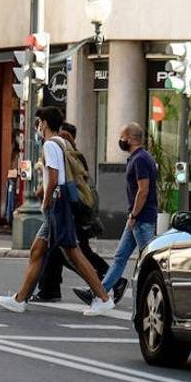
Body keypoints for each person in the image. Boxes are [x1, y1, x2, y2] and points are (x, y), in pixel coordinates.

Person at [0, 107, 114, 316]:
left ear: (45, 123)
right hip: (62, 203)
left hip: (57, 204)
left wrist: (46, 201)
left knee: (73, 252)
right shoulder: (63, 142)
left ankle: (103, 298)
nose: (38, 127)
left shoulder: (50, 144)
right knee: (37, 250)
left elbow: (54, 176)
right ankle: (19, 299)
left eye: (39, 122)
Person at [75, 122, 157, 307]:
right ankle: (98, 292)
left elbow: (143, 190)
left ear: (129, 138)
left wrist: (134, 215)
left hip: (141, 219)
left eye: (121, 137)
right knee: (120, 257)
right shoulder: (140, 157)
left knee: (149, 262)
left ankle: (148, 297)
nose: (120, 141)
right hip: (137, 218)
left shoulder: (140, 159)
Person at [34, 122, 108, 302]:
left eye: (64, 137)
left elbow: (57, 180)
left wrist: (44, 200)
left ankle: (104, 288)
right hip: (67, 209)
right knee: (46, 252)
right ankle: (36, 293)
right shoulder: (73, 155)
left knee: (74, 254)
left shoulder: (66, 154)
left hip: (69, 210)